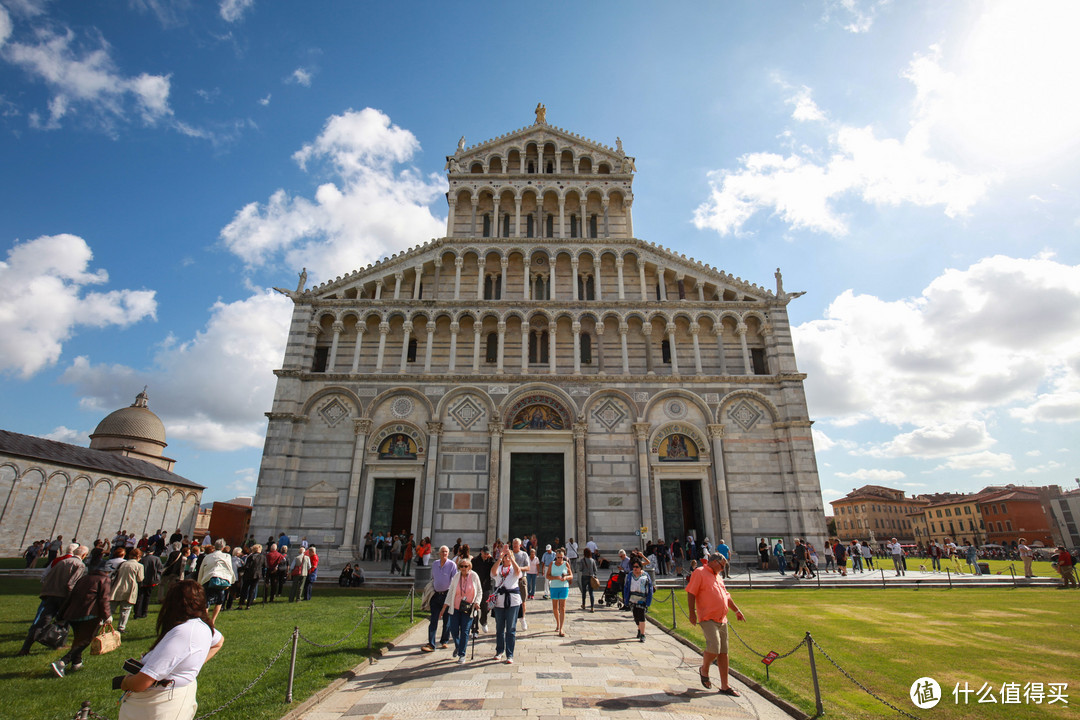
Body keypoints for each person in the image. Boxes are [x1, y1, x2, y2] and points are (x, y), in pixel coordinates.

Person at [117, 580, 224, 720]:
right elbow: (218, 642)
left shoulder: (185, 632)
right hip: (168, 697)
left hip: (160, 704)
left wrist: (125, 681)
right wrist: (189, 667)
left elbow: (141, 682)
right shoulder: (199, 625)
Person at [685, 552, 745, 696]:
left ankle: (725, 686)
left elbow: (726, 596)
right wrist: (692, 613)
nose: (723, 569)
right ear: (713, 561)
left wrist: (736, 610)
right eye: (722, 565)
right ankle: (704, 669)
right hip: (707, 617)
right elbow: (691, 592)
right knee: (714, 648)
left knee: (724, 653)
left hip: (722, 618)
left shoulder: (718, 576)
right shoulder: (699, 572)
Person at [51, 548, 112, 677]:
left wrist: (62, 614)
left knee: (78, 639)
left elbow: (71, 595)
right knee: (85, 640)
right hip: (89, 614)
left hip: (73, 613)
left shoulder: (84, 578)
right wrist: (107, 616)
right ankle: (62, 662)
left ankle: (76, 663)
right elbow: (104, 599)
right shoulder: (104, 580)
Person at [18, 543, 87, 656]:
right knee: (65, 621)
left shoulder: (61, 562)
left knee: (42, 621)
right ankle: (59, 643)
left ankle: (25, 647)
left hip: (51, 595)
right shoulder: (80, 565)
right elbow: (71, 584)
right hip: (64, 597)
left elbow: (48, 577)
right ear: (84, 555)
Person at [440, 557, 482, 664]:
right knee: (454, 630)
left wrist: (477, 602)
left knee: (465, 631)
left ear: (469, 567)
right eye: (462, 566)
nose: (463, 568)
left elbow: (479, 591)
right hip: (456, 607)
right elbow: (451, 591)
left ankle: (462, 654)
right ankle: (458, 647)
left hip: (468, 608)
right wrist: (445, 607)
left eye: (466, 566)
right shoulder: (456, 576)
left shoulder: (474, 576)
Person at [490, 545, 524, 664]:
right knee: (499, 628)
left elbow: (519, 572)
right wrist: (499, 558)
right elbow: (493, 572)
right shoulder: (498, 569)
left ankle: (510, 654)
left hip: (513, 601)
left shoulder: (514, 569)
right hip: (499, 601)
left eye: (509, 556)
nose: (507, 558)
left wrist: (512, 558)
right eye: (506, 556)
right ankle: (499, 651)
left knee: (511, 628)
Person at [421, 546, 457, 652]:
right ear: (439, 553)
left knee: (447, 620)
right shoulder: (435, 564)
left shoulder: (452, 565)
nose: (444, 553)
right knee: (433, 619)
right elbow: (433, 578)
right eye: (442, 552)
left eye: (446, 552)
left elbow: (454, 580)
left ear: (448, 553)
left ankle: (444, 641)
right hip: (435, 595)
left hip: (447, 595)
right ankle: (431, 643)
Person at [197, 539, 236, 623]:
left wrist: (200, 582)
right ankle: (213, 620)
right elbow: (229, 569)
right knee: (219, 601)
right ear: (223, 547)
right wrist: (230, 581)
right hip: (221, 579)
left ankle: (205, 619)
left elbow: (201, 570)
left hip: (208, 578)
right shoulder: (226, 556)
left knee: (206, 600)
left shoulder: (208, 556)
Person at [112, 547, 145, 632]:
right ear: (138, 557)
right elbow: (140, 579)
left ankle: (104, 623)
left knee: (111, 608)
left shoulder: (123, 564)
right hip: (130, 588)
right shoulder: (139, 566)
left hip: (118, 586)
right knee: (125, 610)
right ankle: (121, 627)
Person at [623, 559, 654, 642]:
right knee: (636, 616)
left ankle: (643, 634)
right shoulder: (630, 575)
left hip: (642, 599)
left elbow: (650, 587)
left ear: (640, 567)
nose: (635, 568)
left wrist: (649, 599)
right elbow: (626, 587)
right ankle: (639, 629)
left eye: (636, 567)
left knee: (641, 615)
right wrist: (625, 598)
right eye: (633, 567)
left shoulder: (645, 575)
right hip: (633, 599)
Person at [545, 549, 573, 637]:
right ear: (555, 557)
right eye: (558, 557)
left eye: (561, 557)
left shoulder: (566, 564)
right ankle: (557, 623)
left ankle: (561, 628)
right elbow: (547, 575)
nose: (560, 559)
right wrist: (556, 577)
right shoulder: (552, 564)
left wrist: (566, 578)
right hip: (554, 587)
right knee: (555, 608)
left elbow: (571, 575)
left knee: (562, 608)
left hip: (564, 587)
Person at [472, 546, 495, 633]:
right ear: (481, 552)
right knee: (475, 607)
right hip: (476, 586)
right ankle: (474, 629)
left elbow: (495, 568)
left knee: (485, 606)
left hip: (486, 586)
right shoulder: (475, 561)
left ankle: (483, 621)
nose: (486, 556)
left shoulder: (490, 561)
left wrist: (492, 559)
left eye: (487, 554)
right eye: (485, 554)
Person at [136, 547, 164, 619]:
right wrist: (157, 579)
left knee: (140, 596)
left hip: (142, 580)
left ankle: (137, 613)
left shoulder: (142, 559)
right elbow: (160, 570)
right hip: (151, 580)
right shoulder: (156, 559)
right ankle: (144, 612)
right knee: (147, 596)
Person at [579, 547, 598, 612]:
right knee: (591, 592)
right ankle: (592, 607)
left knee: (584, 591)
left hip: (584, 576)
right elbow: (595, 569)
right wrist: (594, 575)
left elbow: (580, 569)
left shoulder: (582, 560)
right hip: (591, 577)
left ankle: (583, 604)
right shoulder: (592, 560)